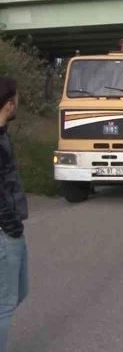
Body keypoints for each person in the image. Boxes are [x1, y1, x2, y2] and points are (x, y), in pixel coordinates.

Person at [0, 77, 28, 351]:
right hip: (5, 231)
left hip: (9, 228)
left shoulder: (3, 133)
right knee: (6, 303)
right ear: (9, 104)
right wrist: (11, 226)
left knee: (19, 292)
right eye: (17, 99)